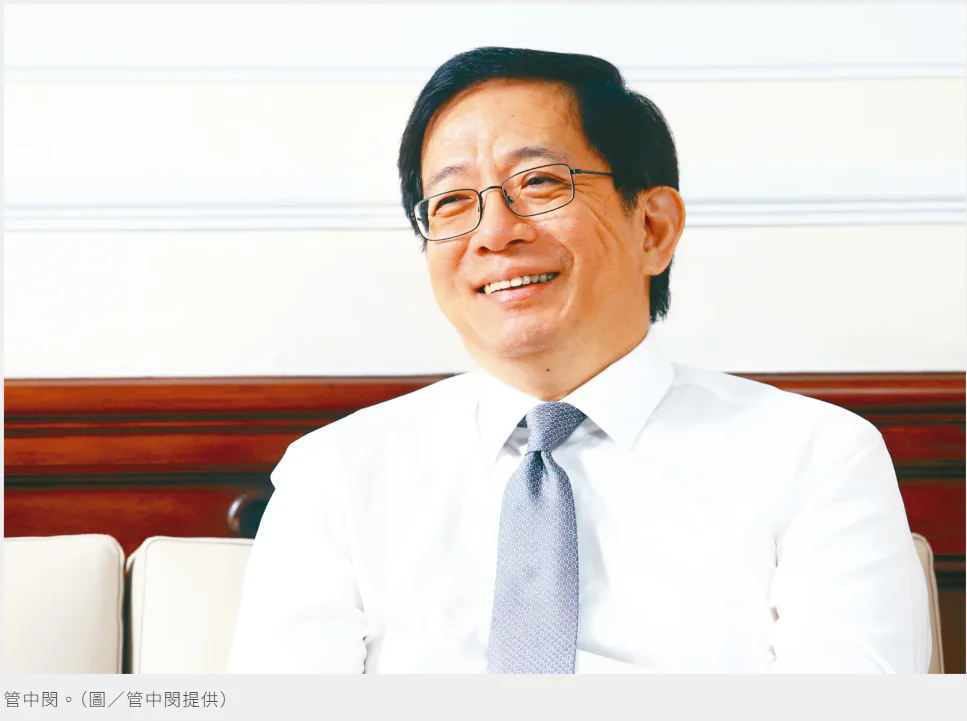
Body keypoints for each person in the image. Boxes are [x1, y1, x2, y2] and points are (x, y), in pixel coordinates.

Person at [228, 47, 930, 673]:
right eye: (451, 201)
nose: (493, 233)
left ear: (652, 227)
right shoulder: (335, 474)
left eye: (538, 183)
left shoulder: (817, 457)